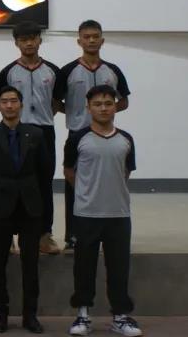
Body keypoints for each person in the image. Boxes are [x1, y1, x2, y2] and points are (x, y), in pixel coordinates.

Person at [63, 86, 142, 337]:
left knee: (119, 267)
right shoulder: (78, 139)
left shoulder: (126, 139)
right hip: (86, 215)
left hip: (119, 214)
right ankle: (83, 315)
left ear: (115, 106)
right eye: (98, 104)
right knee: (83, 267)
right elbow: (69, 172)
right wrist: (88, 194)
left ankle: (120, 317)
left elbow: (125, 172)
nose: (104, 108)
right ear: (88, 107)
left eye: (108, 103)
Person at [0, 86, 49, 334]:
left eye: (14, 101)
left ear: (21, 104)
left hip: (30, 206)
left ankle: (30, 316)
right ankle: (1, 316)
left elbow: (45, 172)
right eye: (4, 101)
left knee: (31, 265)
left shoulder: (36, 134)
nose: (9, 105)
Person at [53, 20, 131, 250]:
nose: (91, 40)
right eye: (86, 37)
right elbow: (55, 101)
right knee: (74, 184)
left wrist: (103, 115)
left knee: (108, 181)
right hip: (77, 133)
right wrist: (75, 112)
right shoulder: (68, 71)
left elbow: (124, 101)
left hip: (108, 135)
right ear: (79, 41)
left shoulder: (113, 70)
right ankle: (73, 235)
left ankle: (107, 232)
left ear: (102, 40)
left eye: (95, 36)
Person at [0, 22, 62, 255]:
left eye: (33, 38)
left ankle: (44, 234)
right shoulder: (8, 72)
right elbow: (2, 102)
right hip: (15, 131)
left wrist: (41, 119)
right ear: (16, 43)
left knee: (44, 183)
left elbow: (57, 103)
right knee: (12, 183)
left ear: (40, 41)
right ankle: (10, 236)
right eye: (24, 39)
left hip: (44, 132)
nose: (29, 43)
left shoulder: (53, 71)